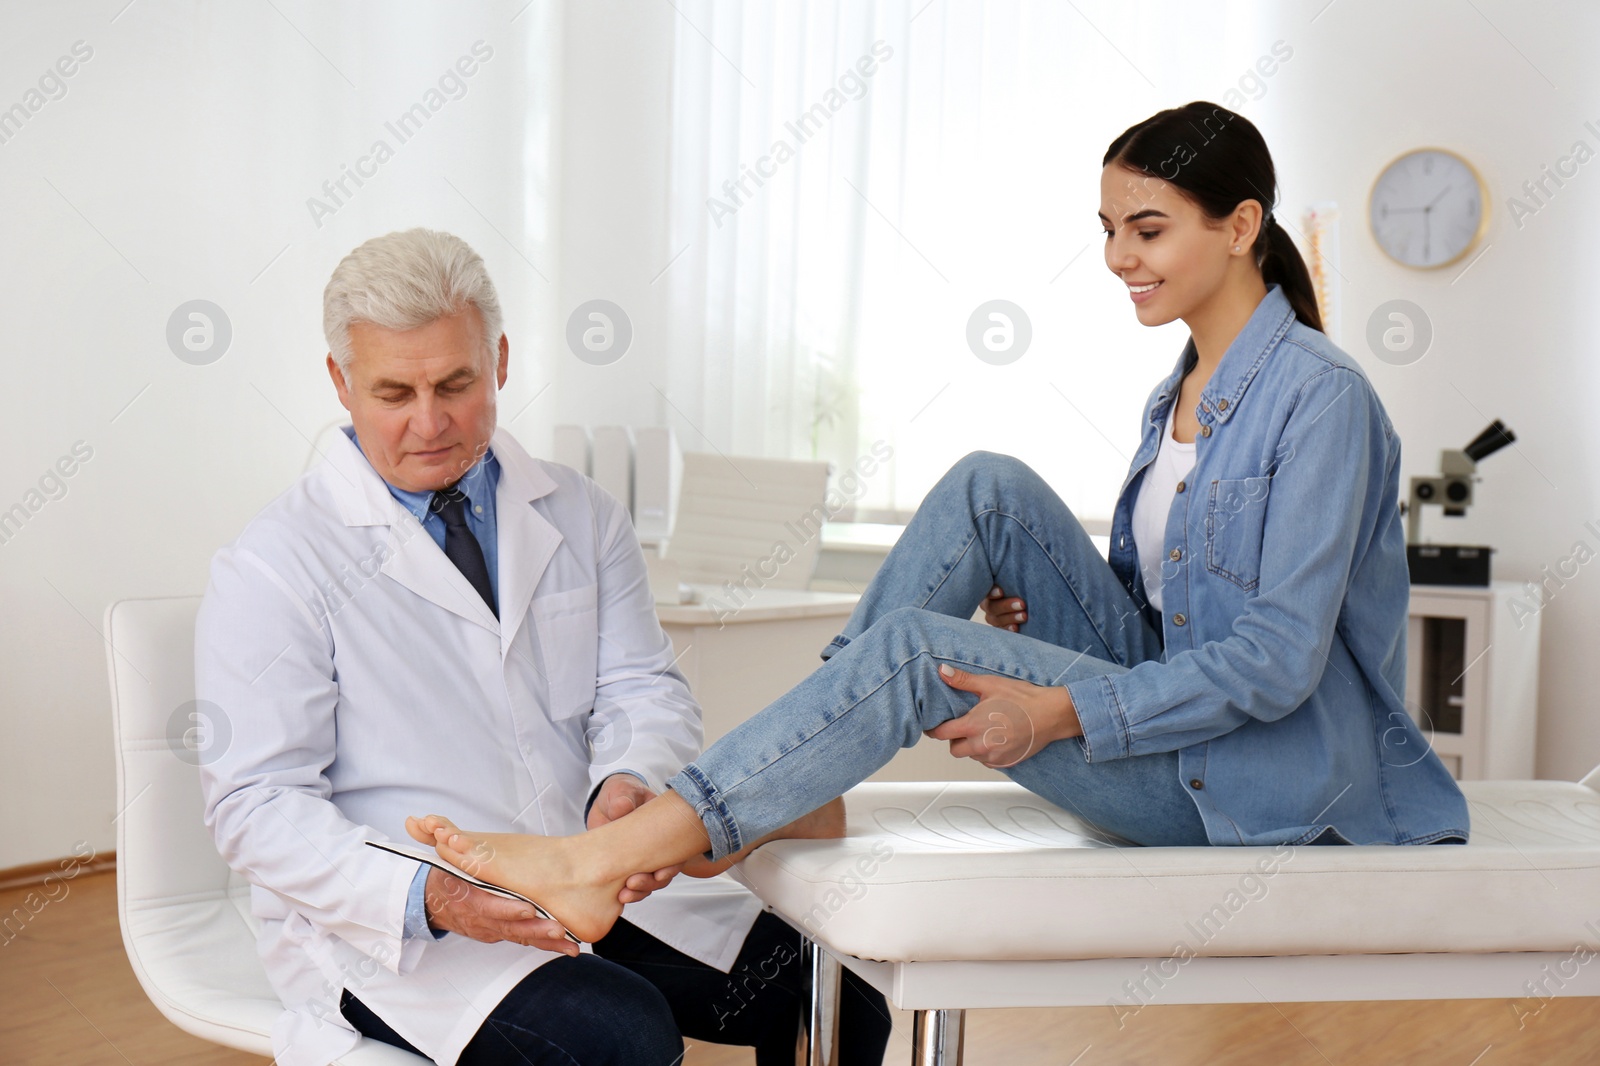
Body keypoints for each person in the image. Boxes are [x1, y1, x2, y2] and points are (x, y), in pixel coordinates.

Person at [406, 101, 1471, 947]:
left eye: (1146, 229)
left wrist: (1058, 708)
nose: (1116, 257)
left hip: (1255, 779)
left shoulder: (1320, 398)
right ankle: (802, 784)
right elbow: (1163, 621)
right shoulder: (1180, 389)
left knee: (916, 653)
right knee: (987, 484)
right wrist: (1035, 620)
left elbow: (1276, 663)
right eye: (1107, 230)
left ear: (1240, 226)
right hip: (1189, 721)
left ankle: (607, 857)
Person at [195, 228, 891, 1066]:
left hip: (591, 875)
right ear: (341, 382)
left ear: (501, 360)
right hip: (404, 922)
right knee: (622, 1035)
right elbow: (256, 805)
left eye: (456, 382)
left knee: (839, 1000)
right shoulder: (277, 564)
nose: (430, 422)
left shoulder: (580, 513)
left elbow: (644, 687)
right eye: (393, 392)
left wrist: (627, 782)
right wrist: (439, 895)